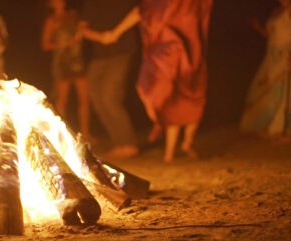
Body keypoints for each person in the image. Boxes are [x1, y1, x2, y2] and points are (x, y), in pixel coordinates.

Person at [99, 0, 213, 163]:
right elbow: (141, 11)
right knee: (165, 95)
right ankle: (172, 145)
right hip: (170, 53)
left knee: (191, 96)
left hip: (185, 52)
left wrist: (116, 33)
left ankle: (183, 144)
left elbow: (140, 11)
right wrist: (116, 32)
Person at [79, 0, 140, 159]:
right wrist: (101, 37)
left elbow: (139, 12)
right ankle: (120, 143)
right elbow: (82, 29)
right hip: (99, 56)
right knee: (95, 97)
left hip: (121, 51)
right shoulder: (92, 4)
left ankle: (128, 144)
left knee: (109, 97)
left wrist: (116, 33)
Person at [240, 0, 291, 143]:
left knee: (282, 90)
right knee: (265, 90)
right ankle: (265, 127)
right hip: (271, 56)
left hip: (285, 55)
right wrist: (257, 27)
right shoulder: (276, 12)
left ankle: (283, 131)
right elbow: (272, 35)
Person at [41, 0, 92, 142]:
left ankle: (86, 133)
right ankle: (59, 135)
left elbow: (82, 29)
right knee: (62, 100)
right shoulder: (51, 20)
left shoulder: (73, 15)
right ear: (50, 4)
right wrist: (63, 44)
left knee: (84, 98)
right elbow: (45, 45)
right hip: (62, 62)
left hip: (77, 60)